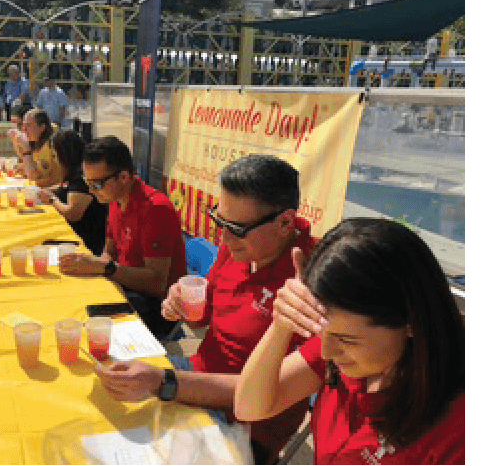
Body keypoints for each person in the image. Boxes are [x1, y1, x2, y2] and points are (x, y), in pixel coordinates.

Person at [94, 156, 317, 463]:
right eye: (219, 221)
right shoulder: (239, 246)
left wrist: (163, 382)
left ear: (285, 223)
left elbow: (264, 395)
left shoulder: (312, 280)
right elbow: (203, 324)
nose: (223, 238)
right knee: (101, 390)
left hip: (247, 422)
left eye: (236, 228)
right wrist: (183, 305)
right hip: (197, 375)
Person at [234, 218, 465, 465]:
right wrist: (280, 326)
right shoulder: (342, 352)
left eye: (347, 339)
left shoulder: (457, 431)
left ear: (411, 322)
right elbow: (249, 407)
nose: (325, 352)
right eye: (321, 332)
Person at [59, 135, 186, 339]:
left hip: (157, 308)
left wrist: (103, 268)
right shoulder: (115, 198)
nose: (91, 191)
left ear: (124, 177)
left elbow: (157, 283)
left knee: (83, 331)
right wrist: (98, 265)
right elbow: (109, 251)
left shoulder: (155, 209)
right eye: (87, 182)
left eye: (97, 184)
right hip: (124, 287)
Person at [37, 129, 109, 255]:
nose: (54, 160)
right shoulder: (73, 174)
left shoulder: (81, 177)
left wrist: (51, 200)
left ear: (64, 155)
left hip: (86, 244)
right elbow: (66, 188)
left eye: (55, 156)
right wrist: (49, 191)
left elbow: (72, 213)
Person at [9, 107, 64, 188]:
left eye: (28, 125)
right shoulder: (37, 141)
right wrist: (16, 142)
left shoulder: (51, 145)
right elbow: (29, 165)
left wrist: (26, 149)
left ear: (42, 128)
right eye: (23, 125)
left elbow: (34, 176)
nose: (24, 129)